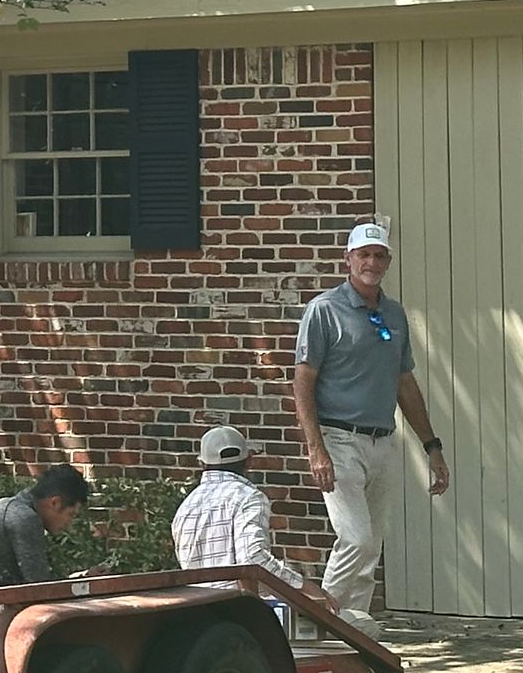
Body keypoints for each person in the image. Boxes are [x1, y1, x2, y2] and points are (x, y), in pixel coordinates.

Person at [292, 221, 449, 625]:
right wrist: (315, 448)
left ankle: (355, 638)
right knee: (355, 539)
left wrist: (432, 446)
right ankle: (317, 623)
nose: (371, 263)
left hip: (382, 441)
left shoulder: (394, 315)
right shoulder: (324, 310)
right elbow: (303, 380)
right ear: (348, 259)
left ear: (388, 262)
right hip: (338, 439)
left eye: (379, 256)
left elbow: (404, 382)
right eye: (363, 255)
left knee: (370, 547)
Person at [170, 424, 296, 590]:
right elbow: (254, 559)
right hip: (235, 606)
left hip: (196, 607)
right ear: (249, 461)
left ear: (201, 464)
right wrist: (302, 586)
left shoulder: (186, 507)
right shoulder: (248, 497)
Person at [0, 463, 89, 595]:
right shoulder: (23, 518)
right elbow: (41, 590)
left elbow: (39, 583)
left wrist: (82, 579)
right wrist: (85, 588)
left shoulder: (10, 507)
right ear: (55, 503)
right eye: (71, 514)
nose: (69, 523)